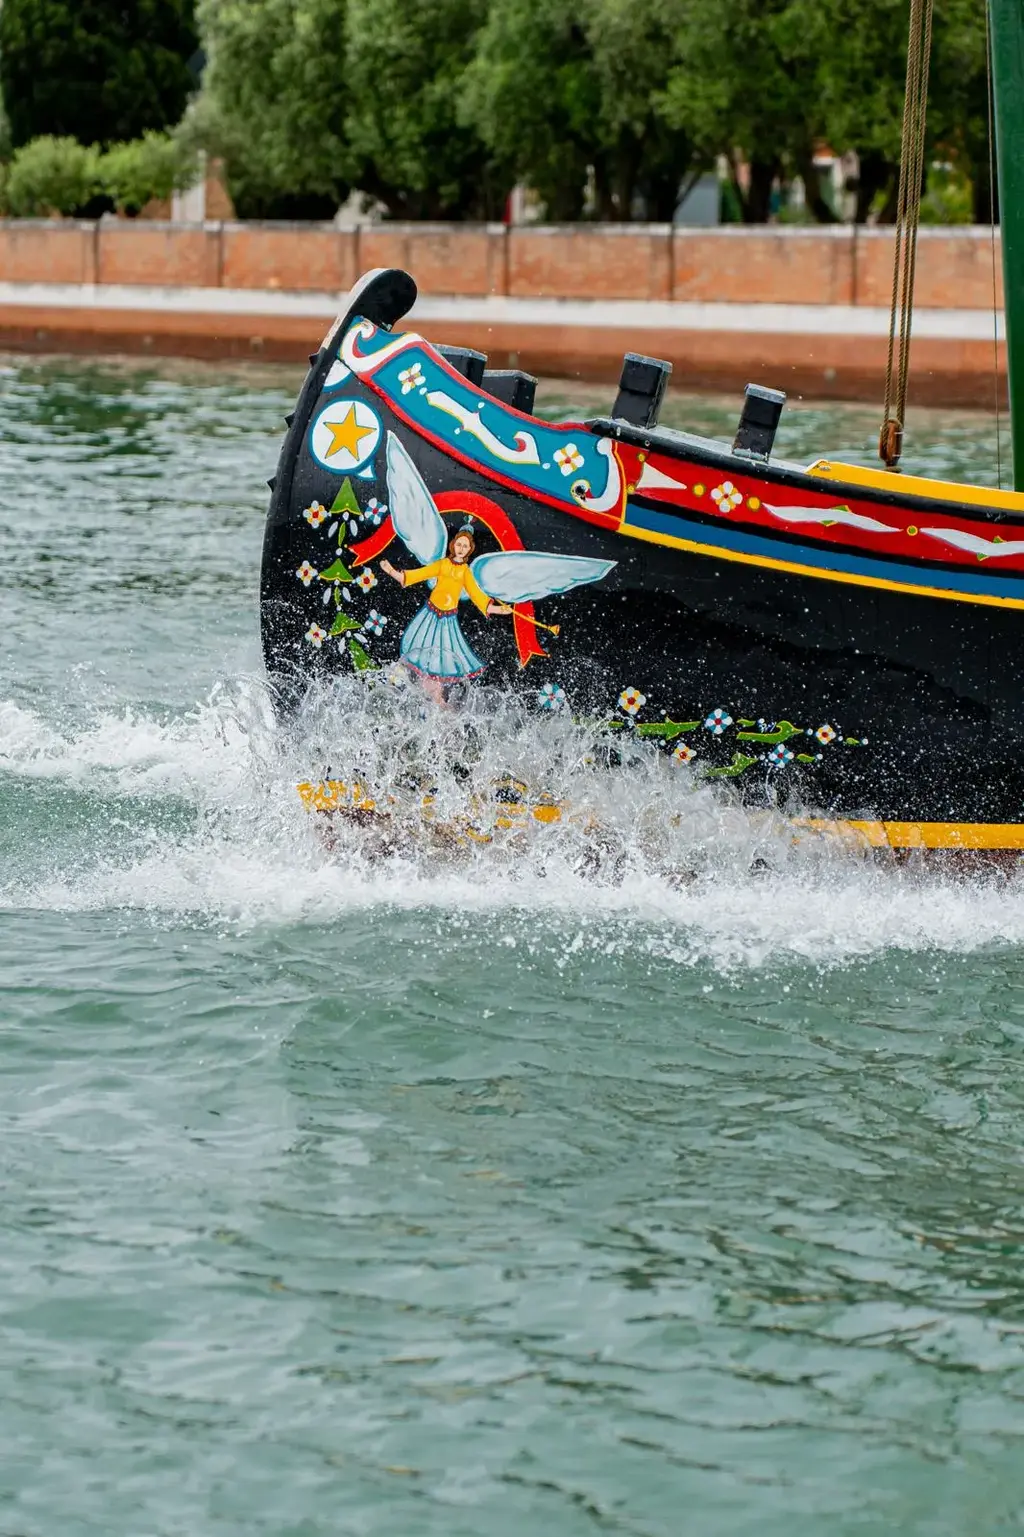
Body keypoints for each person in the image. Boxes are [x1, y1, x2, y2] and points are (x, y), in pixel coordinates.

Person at [381, 521, 511, 681]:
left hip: (447, 621)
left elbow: (477, 596)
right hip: (430, 614)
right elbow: (419, 574)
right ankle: (405, 677)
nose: (461, 549)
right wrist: (392, 572)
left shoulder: (465, 572)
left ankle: (435, 694)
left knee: (443, 656)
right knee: (417, 644)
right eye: (459, 544)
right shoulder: (443, 564)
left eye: (465, 546)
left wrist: (499, 609)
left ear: (470, 549)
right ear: (453, 545)